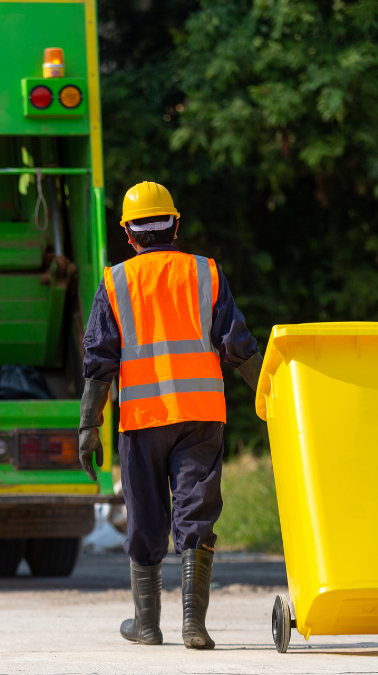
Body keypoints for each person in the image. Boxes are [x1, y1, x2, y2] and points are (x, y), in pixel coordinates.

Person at [78, 181, 262, 649]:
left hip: (141, 420)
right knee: (195, 512)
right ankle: (193, 625)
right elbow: (237, 347)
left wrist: (88, 426)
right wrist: (269, 396)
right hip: (200, 415)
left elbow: (100, 362)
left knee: (145, 517)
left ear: (129, 234)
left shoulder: (116, 281)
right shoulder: (206, 273)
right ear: (175, 226)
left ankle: (146, 624)